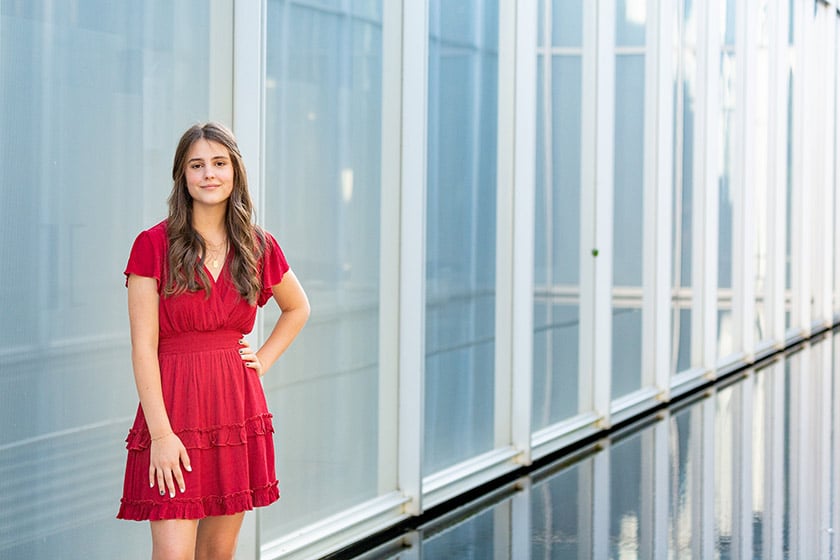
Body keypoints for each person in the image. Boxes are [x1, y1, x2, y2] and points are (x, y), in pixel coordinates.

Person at [116, 122, 310, 560]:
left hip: (235, 410)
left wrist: (262, 360)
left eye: (219, 163)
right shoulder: (152, 245)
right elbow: (143, 347)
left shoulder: (258, 246)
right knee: (172, 554)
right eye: (197, 165)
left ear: (235, 172)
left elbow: (298, 307)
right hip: (173, 411)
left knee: (218, 553)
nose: (209, 174)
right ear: (182, 177)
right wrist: (162, 436)